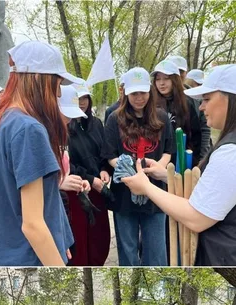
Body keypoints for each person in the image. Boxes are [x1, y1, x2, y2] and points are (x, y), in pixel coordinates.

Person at [121, 64, 236, 266]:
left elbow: (196, 218)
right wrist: (166, 177)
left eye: (207, 99)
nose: (202, 107)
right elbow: (222, 189)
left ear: (229, 98)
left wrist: (146, 188)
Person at [0, 40, 81, 266]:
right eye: (57, 82)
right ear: (39, 80)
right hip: (32, 257)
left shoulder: (2, 120)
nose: (58, 92)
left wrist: (59, 237)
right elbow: (32, 224)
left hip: (9, 252)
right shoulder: (28, 130)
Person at [102, 66, 173, 266]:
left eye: (142, 92)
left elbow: (169, 149)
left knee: (156, 251)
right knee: (128, 250)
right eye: (134, 93)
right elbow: (109, 154)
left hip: (155, 190)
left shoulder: (162, 117)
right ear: (126, 93)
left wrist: (158, 167)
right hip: (125, 191)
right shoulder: (114, 118)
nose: (139, 97)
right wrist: (129, 172)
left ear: (149, 92)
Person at [64, 84, 111, 266]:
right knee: (80, 238)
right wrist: (90, 179)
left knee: (100, 235)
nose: (81, 103)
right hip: (77, 189)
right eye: (77, 99)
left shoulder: (96, 124)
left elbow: (105, 152)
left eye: (84, 98)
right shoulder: (65, 127)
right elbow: (67, 163)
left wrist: (105, 169)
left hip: (98, 188)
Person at [150, 59, 209, 165]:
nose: (161, 83)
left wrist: (197, 160)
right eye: (158, 79)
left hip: (181, 161)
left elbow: (197, 135)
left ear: (175, 80)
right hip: (157, 159)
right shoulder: (151, 102)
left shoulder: (187, 102)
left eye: (166, 78)